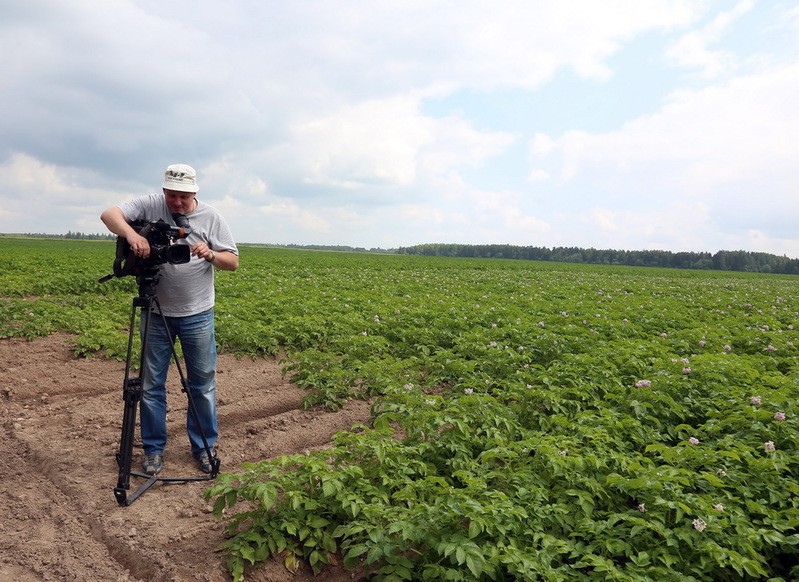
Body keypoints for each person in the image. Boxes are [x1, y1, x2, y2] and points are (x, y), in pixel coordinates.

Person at [100, 163, 238, 475]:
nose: (176, 202)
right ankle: (153, 450)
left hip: (197, 315)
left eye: (183, 197)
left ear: (194, 193)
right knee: (151, 385)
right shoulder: (149, 204)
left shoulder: (212, 217)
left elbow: (233, 261)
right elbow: (109, 214)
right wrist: (134, 236)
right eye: (171, 195)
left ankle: (203, 447)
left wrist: (212, 255)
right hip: (156, 311)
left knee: (201, 384)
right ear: (164, 191)